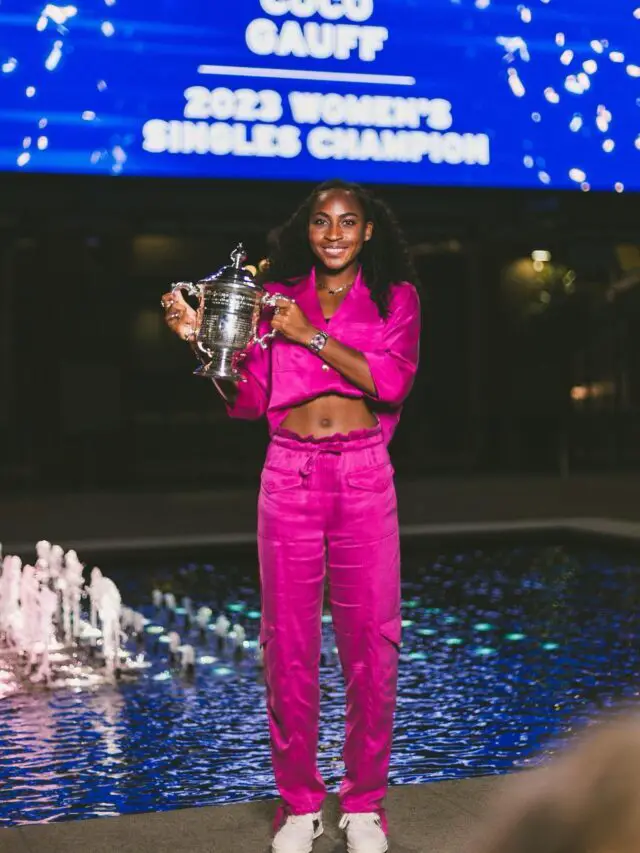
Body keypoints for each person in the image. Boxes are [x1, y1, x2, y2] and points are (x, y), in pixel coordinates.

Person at [161, 179, 421, 853]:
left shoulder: (395, 298)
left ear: (368, 231)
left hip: (363, 475)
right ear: (307, 231)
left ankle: (364, 805)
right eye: (321, 222)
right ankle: (300, 804)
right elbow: (247, 397)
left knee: (373, 647)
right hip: (288, 473)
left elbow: (390, 382)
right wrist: (201, 340)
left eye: (347, 222)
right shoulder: (275, 299)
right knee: (288, 648)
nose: (332, 233)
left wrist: (311, 335)